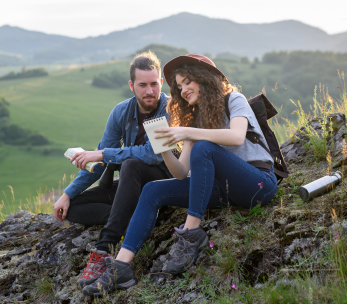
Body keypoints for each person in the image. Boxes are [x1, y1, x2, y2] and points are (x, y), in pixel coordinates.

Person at [82, 54, 278, 296]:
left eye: (188, 82)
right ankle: (121, 267)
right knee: (152, 189)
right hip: (223, 190)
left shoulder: (233, 100)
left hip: (258, 183)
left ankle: (191, 234)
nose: (184, 90)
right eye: (180, 86)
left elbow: (237, 136)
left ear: (205, 79)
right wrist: (164, 150)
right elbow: (182, 172)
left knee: (205, 148)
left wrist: (187, 131)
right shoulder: (195, 120)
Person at [52, 51, 172, 288]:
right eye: (142, 85)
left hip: (163, 181)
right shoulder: (121, 112)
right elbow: (98, 164)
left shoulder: (170, 109)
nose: (149, 91)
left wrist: (103, 154)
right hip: (131, 184)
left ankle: (104, 248)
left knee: (132, 163)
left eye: (154, 84)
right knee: (73, 208)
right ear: (131, 85)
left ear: (161, 82)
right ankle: (129, 219)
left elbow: (151, 154)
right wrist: (67, 194)